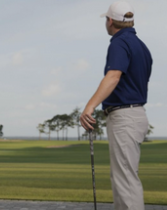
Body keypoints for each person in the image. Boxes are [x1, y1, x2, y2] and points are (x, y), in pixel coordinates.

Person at [79, 2, 152, 210]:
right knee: (122, 178)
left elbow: (113, 77)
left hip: (125, 117)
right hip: (135, 115)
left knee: (126, 181)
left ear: (110, 21)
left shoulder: (119, 43)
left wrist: (90, 106)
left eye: (106, 20)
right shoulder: (141, 45)